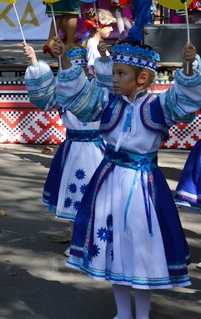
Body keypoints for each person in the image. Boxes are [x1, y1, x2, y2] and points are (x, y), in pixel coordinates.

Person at [55, 39, 201, 319]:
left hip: (143, 188)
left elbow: (185, 101)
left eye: (121, 74)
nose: (115, 79)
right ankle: (122, 313)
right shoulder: (108, 103)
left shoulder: (159, 106)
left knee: (140, 248)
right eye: (115, 73)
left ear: (142, 78)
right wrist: (63, 60)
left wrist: (187, 66)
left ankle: (142, 314)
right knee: (115, 247)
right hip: (109, 183)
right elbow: (80, 94)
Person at [23, 43, 106, 256]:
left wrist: (105, 56)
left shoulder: (98, 90)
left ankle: (95, 240)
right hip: (74, 150)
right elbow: (44, 96)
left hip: (95, 150)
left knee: (95, 196)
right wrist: (33, 60)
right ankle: (77, 239)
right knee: (74, 196)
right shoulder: (63, 94)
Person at [80, 8, 116, 75]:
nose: (112, 29)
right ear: (97, 27)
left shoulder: (95, 42)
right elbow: (95, 70)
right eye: (108, 26)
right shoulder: (93, 45)